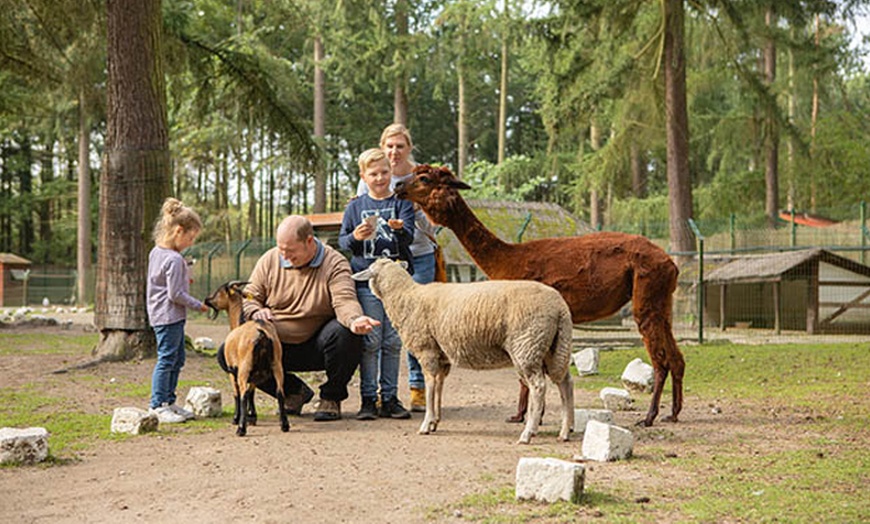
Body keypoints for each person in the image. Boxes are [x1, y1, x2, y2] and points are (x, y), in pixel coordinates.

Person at [217, 215, 379, 422]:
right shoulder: (270, 259)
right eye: (281, 249)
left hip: (317, 345)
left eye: (290, 250)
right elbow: (249, 296)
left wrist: (355, 320)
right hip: (275, 346)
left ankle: (331, 397)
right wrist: (256, 311)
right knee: (225, 354)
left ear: (309, 241)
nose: (284, 255)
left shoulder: (334, 262)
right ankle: (292, 392)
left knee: (346, 333)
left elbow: (344, 300)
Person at [357, 123, 439, 413]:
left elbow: (435, 225)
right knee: (387, 328)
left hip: (419, 255)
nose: (394, 152)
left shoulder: (422, 177)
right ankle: (378, 394)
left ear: (409, 148)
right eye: (389, 146)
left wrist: (416, 212)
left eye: (399, 146)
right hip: (385, 262)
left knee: (419, 323)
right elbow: (362, 213)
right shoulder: (374, 173)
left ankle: (419, 387)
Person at [340, 148, 416, 421]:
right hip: (366, 281)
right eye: (374, 174)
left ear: (391, 173)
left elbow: (409, 237)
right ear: (364, 176)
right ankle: (369, 398)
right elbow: (343, 242)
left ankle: (391, 397)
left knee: (393, 341)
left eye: (385, 172)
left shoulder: (401, 203)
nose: (380, 178)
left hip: (397, 285)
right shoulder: (355, 206)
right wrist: (356, 236)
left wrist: (398, 229)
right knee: (371, 341)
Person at [146, 197, 209, 424]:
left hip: (162, 315)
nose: (191, 243)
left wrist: (183, 281)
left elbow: (161, 283)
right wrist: (196, 304)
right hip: (168, 316)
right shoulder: (173, 259)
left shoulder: (157, 252)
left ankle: (169, 401)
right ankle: (158, 405)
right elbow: (174, 295)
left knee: (176, 358)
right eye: (190, 238)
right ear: (178, 231)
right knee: (167, 359)